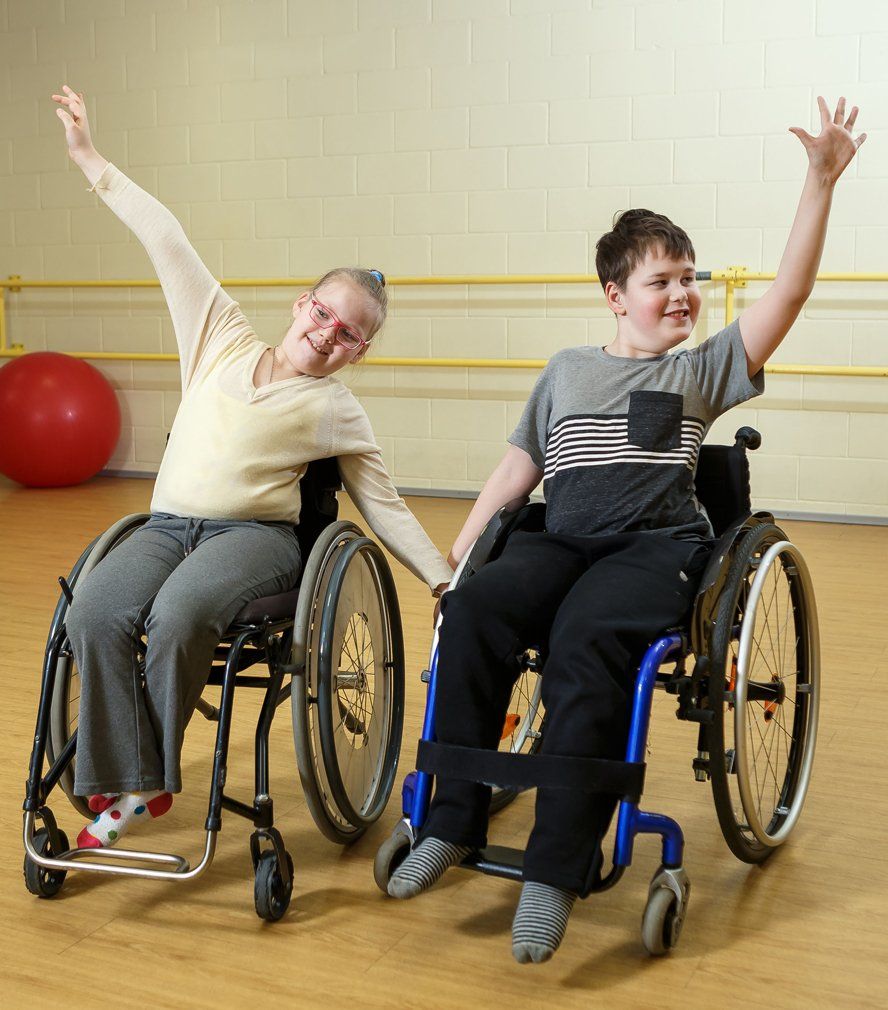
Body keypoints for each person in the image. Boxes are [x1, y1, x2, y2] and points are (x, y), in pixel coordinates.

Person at [387, 96, 865, 964]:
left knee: (587, 640)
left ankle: (554, 870)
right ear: (616, 296)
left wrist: (819, 182)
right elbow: (516, 470)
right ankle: (448, 821)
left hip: (655, 550)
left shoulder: (701, 368)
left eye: (691, 276)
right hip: (555, 542)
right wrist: (457, 555)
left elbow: (789, 292)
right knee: (479, 611)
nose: (684, 292)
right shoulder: (566, 371)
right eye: (663, 280)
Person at [51, 85, 454, 850]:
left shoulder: (336, 407)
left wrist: (440, 578)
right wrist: (89, 159)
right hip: (166, 526)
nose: (330, 334)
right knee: (94, 612)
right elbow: (165, 237)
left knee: (178, 614)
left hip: (255, 539)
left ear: (360, 352)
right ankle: (126, 770)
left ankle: (146, 782)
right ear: (302, 304)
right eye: (324, 314)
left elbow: (384, 503)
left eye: (350, 334)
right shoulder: (219, 335)